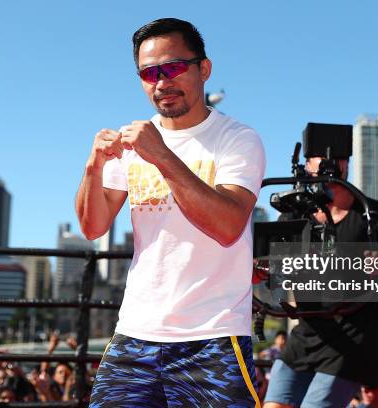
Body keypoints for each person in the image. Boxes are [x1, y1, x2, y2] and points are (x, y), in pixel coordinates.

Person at [76, 18, 265, 407]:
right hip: (134, 333)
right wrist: (94, 164)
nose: (162, 82)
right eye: (149, 73)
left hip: (213, 336)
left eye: (174, 67)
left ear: (204, 69)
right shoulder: (131, 146)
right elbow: (93, 227)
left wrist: (161, 154)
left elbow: (228, 225)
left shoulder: (237, 140)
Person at [264, 135, 378, 408]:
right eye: (321, 156)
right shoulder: (293, 216)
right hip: (307, 334)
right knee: (273, 404)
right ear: (306, 164)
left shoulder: (374, 214)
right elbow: (271, 272)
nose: (332, 162)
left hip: (353, 337)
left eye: (340, 157)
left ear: (348, 164)